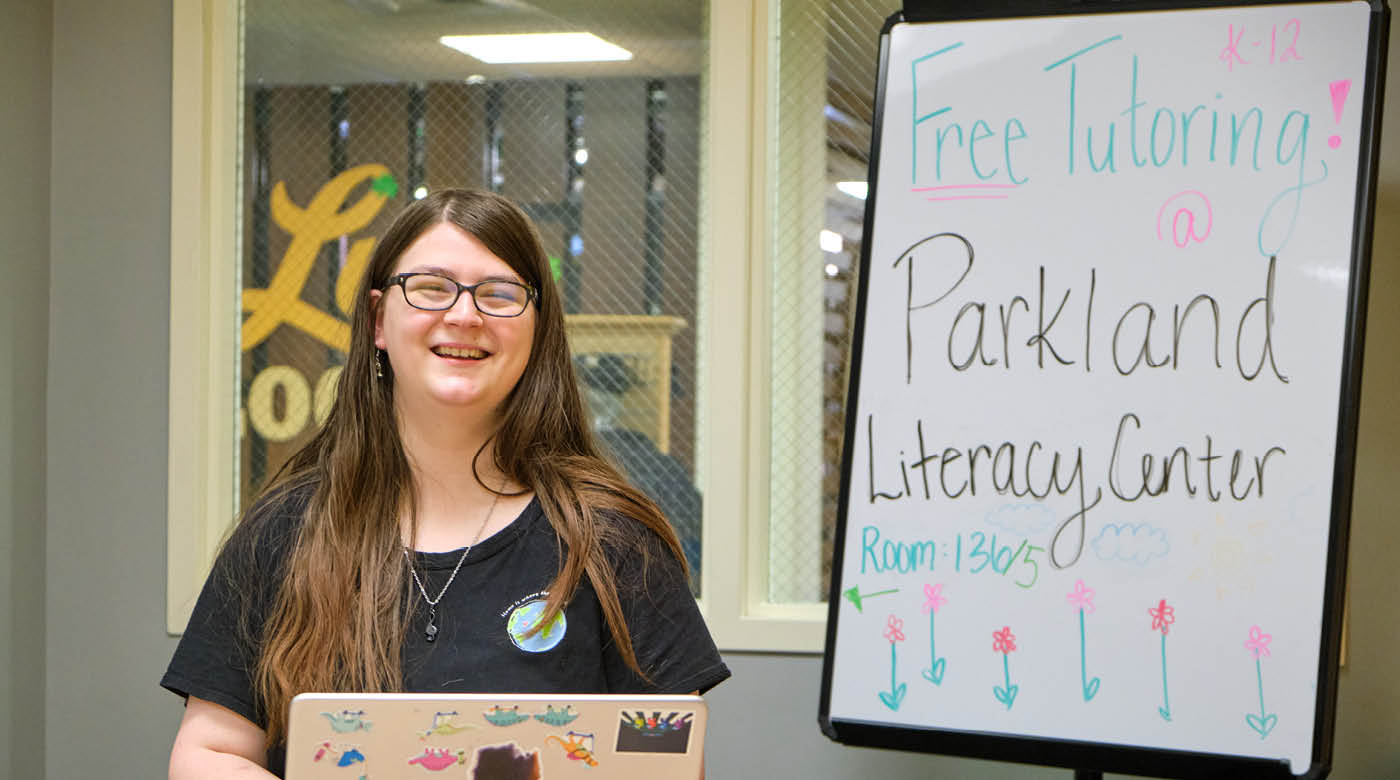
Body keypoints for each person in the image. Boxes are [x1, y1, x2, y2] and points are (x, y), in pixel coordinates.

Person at [162, 189, 730, 778]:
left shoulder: (615, 542)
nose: (464, 315)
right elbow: (211, 753)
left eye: (500, 294)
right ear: (379, 320)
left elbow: (665, 760)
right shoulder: (282, 532)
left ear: (538, 331)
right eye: (432, 288)